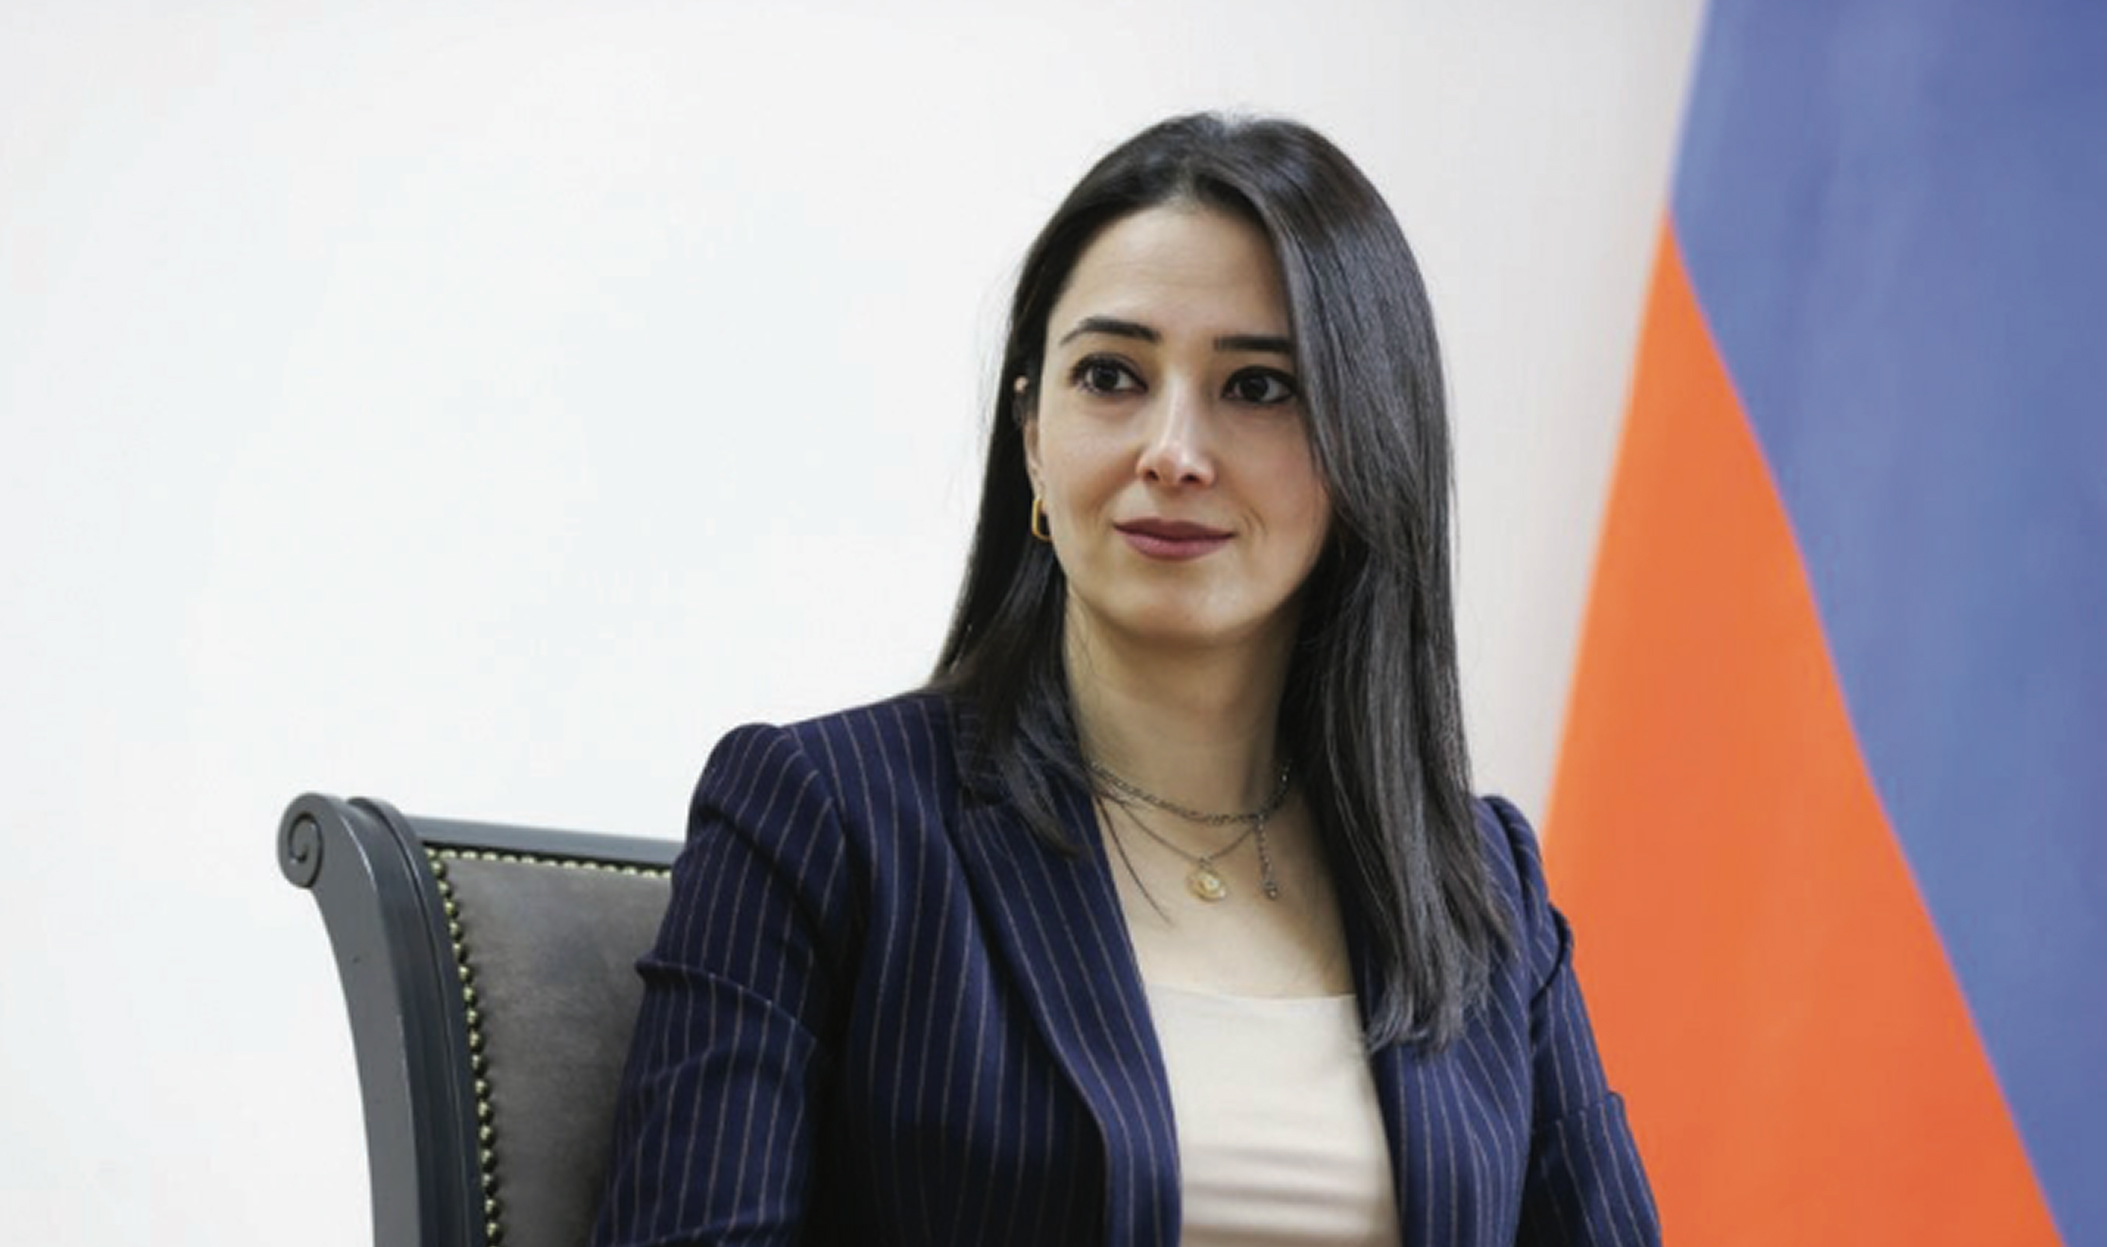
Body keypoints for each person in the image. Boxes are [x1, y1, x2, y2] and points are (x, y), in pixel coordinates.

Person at [590, 113, 1658, 1247]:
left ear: (1367, 444)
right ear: (1032, 435)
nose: (1173, 451)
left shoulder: (1478, 885)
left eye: (1259, 387)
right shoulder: (824, 815)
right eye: (1111, 376)